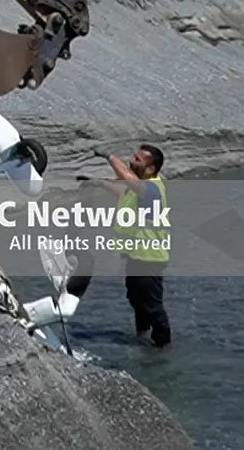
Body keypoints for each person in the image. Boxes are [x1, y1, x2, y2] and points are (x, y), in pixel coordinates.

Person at [83, 144, 171, 348]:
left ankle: (162, 347)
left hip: (150, 258)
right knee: (136, 299)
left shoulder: (152, 189)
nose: (132, 161)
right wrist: (101, 184)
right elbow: (124, 192)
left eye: (138, 160)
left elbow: (129, 182)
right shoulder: (139, 188)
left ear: (151, 169)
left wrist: (110, 156)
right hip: (135, 256)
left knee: (152, 305)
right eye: (133, 156)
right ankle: (142, 336)